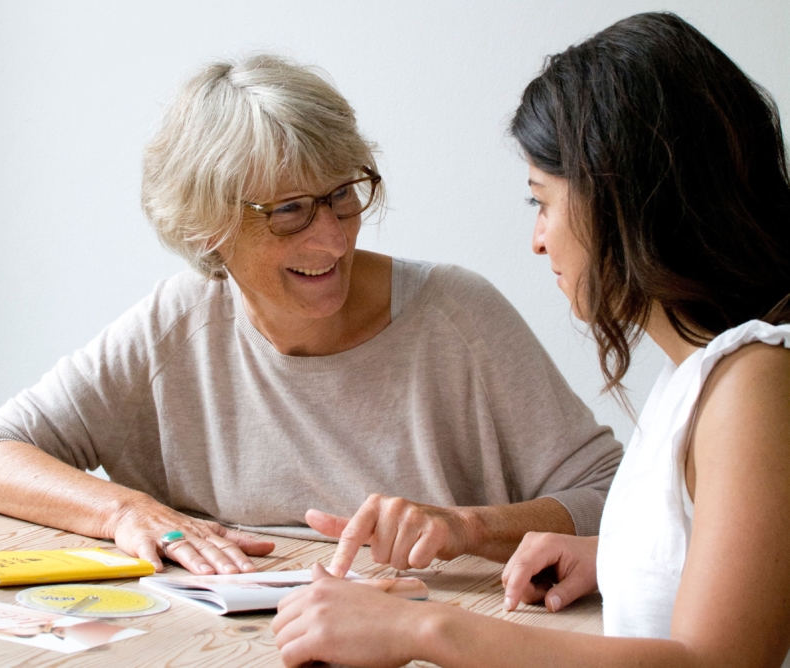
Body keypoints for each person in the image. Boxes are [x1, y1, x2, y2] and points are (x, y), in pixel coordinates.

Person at [0, 54, 621, 578]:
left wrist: (467, 527)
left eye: (342, 195)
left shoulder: (456, 315)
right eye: (289, 211)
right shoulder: (177, 325)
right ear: (208, 226)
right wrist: (126, 510)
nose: (332, 239)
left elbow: (615, 496)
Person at [271, 12, 790, 667]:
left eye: (542, 202)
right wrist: (614, 557)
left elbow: (718, 664)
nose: (538, 241)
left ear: (623, 200)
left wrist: (423, 628)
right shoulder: (704, 376)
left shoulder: (756, 385)